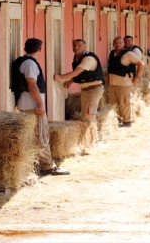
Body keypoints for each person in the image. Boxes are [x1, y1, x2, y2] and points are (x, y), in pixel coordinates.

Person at [11, 38, 70, 176]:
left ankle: (38, 164)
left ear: (25, 48)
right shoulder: (29, 63)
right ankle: (48, 166)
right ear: (40, 50)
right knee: (41, 136)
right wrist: (41, 104)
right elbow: (32, 85)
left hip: (27, 103)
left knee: (36, 136)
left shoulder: (22, 61)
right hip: (32, 104)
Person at [53, 39, 104, 123]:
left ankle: (93, 135)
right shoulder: (77, 57)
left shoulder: (88, 58)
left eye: (79, 45)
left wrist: (60, 77)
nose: (76, 47)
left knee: (89, 115)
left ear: (85, 47)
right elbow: (82, 74)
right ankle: (90, 135)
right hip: (86, 89)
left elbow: (76, 72)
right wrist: (70, 82)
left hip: (94, 89)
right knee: (85, 115)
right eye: (74, 45)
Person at [107, 36, 145, 128]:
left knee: (124, 103)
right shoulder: (112, 53)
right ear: (113, 44)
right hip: (113, 83)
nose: (118, 45)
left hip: (124, 83)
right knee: (113, 103)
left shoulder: (129, 54)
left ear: (123, 44)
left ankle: (127, 121)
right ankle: (117, 120)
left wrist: (137, 76)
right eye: (116, 43)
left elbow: (141, 64)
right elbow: (110, 68)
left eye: (120, 43)